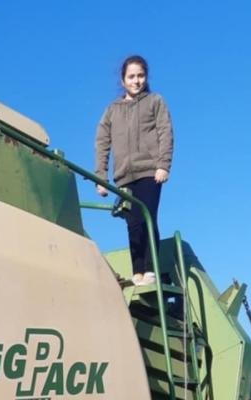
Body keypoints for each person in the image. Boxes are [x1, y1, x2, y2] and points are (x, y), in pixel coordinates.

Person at [94, 55, 173, 286]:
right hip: (123, 177)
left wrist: (163, 165)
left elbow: (165, 132)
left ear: (146, 77)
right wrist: (100, 177)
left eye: (140, 76)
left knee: (148, 217)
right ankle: (137, 271)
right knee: (133, 223)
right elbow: (102, 142)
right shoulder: (112, 110)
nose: (136, 81)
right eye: (131, 76)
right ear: (122, 79)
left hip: (150, 171)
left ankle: (150, 269)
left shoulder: (155, 101)